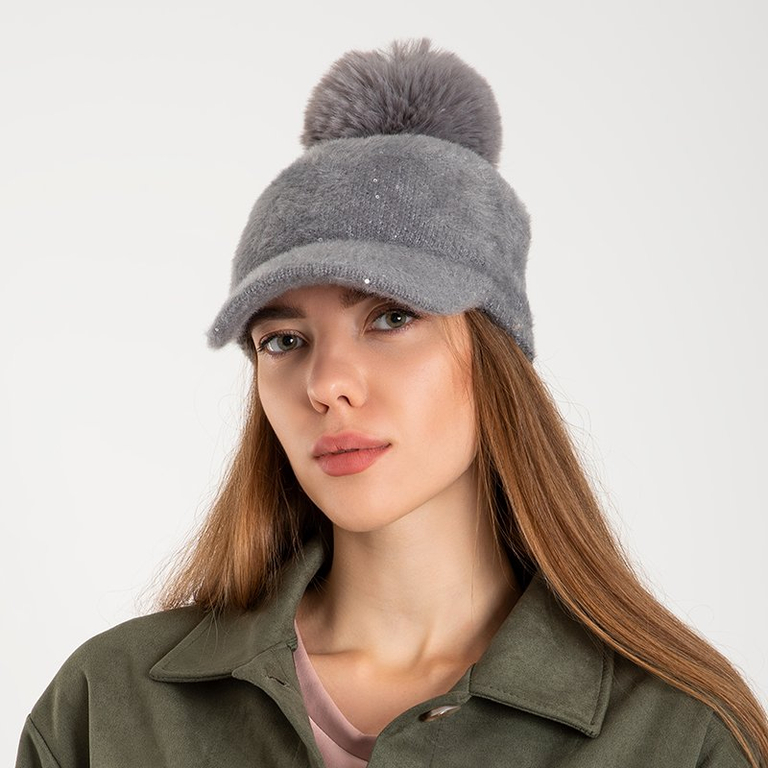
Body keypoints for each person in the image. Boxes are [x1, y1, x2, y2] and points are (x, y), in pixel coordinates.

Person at [15, 37, 767, 768]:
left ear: (494, 352)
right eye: (283, 340)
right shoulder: (109, 708)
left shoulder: (676, 736)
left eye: (391, 317)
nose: (326, 384)